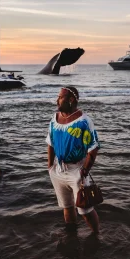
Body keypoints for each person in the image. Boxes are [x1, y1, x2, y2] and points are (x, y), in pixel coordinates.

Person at [46, 86, 100, 234]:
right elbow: (50, 143)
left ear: (71, 100)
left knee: (85, 211)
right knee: (67, 208)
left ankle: (96, 235)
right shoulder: (54, 119)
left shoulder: (84, 121)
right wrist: (50, 166)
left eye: (60, 97)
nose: (57, 100)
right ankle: (71, 237)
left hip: (77, 171)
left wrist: (84, 171)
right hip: (58, 170)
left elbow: (93, 148)